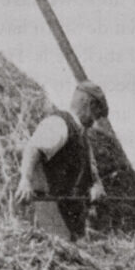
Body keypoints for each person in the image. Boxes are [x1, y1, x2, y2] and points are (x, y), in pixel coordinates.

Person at [15, 81, 108, 240]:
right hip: (47, 208)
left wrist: (96, 184)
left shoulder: (82, 137)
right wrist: (25, 180)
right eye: (96, 114)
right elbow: (33, 148)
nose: (95, 122)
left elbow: (90, 168)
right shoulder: (59, 124)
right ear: (89, 104)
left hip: (66, 214)